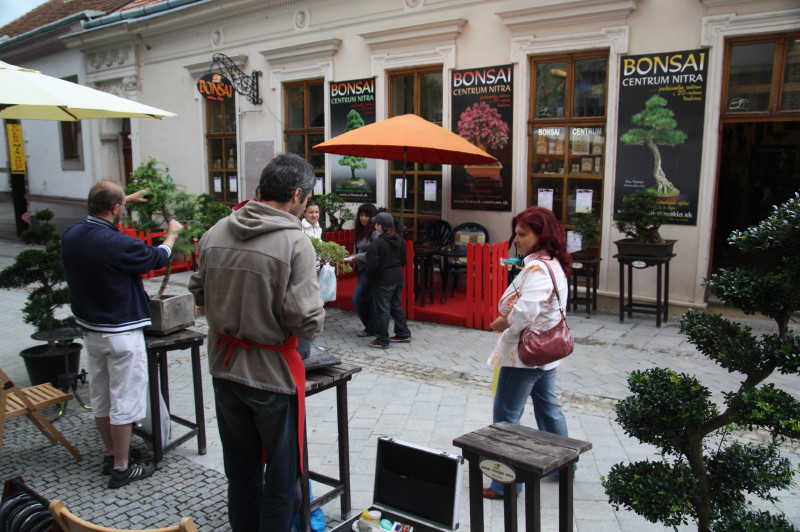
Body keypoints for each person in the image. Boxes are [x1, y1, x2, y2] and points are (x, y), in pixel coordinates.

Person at [188, 153, 324, 531]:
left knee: (242, 474)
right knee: (282, 479)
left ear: (261, 190)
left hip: (223, 366)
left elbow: (197, 294)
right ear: (297, 195)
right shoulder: (295, 243)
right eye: (308, 198)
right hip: (271, 375)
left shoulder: (215, 231)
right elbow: (306, 322)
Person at [61, 181, 183, 489]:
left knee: (101, 396)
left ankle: (111, 453)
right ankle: (122, 467)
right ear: (115, 209)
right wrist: (173, 232)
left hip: (91, 329)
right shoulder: (116, 244)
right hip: (122, 332)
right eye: (121, 205)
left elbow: (100, 209)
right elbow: (157, 257)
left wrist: (123, 198)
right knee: (125, 399)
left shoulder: (71, 234)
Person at [483, 206, 572, 499]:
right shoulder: (552, 262)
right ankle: (565, 466)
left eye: (523, 234)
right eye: (516, 233)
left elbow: (526, 310)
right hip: (545, 351)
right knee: (548, 406)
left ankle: (506, 485)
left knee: (506, 417)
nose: (516, 239)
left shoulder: (537, 268)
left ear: (541, 235)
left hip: (526, 354)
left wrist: (503, 322)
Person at [364, 212, 411, 349]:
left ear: (380, 226)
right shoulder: (399, 240)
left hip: (383, 280)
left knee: (383, 310)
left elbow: (371, 265)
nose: (375, 226)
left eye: (376, 224)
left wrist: (371, 278)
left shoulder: (378, 243)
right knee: (396, 306)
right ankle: (403, 333)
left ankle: (382, 339)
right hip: (397, 277)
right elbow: (403, 259)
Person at [346, 203, 379, 337]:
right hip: (361, 269)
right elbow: (358, 249)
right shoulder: (360, 230)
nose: (363, 218)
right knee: (365, 299)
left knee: (358, 299)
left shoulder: (375, 232)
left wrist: (355, 258)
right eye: (361, 215)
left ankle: (372, 327)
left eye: (367, 216)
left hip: (372, 270)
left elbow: (374, 253)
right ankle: (371, 327)